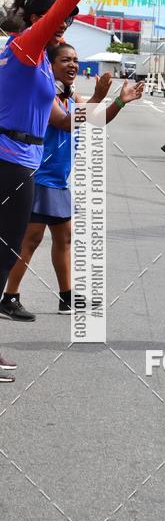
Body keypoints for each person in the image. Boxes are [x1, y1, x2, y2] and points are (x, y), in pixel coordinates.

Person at [0, 0, 129, 381]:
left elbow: (66, 119)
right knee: (9, 250)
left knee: (14, 248)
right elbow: (56, 11)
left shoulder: (28, 60)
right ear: (39, 23)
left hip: (20, 163)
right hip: (11, 163)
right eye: (60, 23)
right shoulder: (26, 48)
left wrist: (108, 101)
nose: (66, 28)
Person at [0, 44, 143, 321]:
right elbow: (66, 123)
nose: (73, 64)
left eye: (76, 60)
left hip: (58, 179)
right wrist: (99, 96)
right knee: (30, 240)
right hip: (39, 176)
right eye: (65, 59)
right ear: (49, 66)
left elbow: (97, 119)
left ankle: (66, 297)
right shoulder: (45, 96)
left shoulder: (70, 95)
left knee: (63, 238)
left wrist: (120, 101)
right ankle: (10, 297)